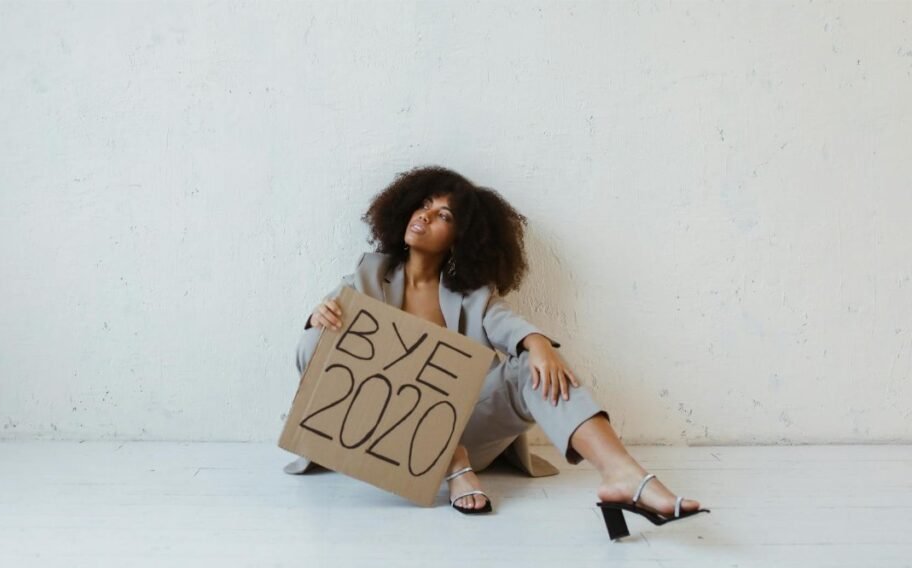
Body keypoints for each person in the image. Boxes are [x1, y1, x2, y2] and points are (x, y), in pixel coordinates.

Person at [286, 165, 708, 536]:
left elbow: (507, 325)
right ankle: (453, 463)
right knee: (315, 340)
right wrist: (317, 317)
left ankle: (623, 475)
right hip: (379, 436)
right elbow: (320, 340)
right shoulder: (368, 274)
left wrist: (536, 343)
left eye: (444, 215)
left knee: (534, 367)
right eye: (424, 205)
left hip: (467, 431)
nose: (426, 215)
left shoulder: (473, 295)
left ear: (460, 238)